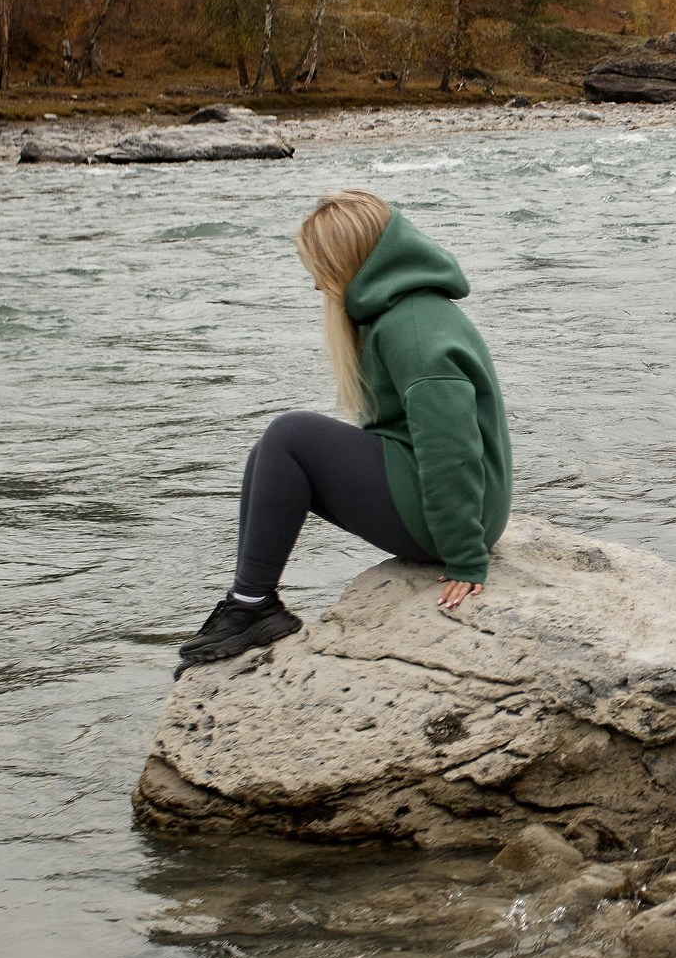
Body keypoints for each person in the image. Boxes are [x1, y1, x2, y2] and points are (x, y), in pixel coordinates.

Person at [177, 190, 512, 675]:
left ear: (348, 264)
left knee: (289, 437)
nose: (315, 285)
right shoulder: (403, 313)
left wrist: (465, 556)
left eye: (320, 269)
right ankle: (249, 600)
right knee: (272, 452)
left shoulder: (411, 328)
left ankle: (252, 605)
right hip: (446, 502)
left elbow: (451, 446)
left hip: (455, 522)